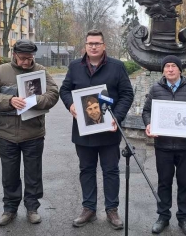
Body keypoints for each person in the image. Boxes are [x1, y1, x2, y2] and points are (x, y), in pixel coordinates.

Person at [59, 29, 134, 230]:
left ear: (104, 46)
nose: (93, 46)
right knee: (86, 170)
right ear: (85, 46)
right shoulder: (75, 66)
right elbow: (64, 90)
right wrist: (70, 105)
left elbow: (127, 94)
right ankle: (89, 209)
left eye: (97, 43)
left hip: (109, 131)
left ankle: (112, 210)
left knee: (111, 171)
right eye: (90, 43)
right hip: (83, 132)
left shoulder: (117, 67)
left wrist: (116, 117)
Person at [0, 39, 59, 226]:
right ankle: (9, 209)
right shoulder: (2, 71)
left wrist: (35, 100)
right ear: (14, 54)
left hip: (33, 133)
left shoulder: (40, 71)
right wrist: (9, 101)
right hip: (6, 134)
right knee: (9, 174)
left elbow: (53, 94)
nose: (26, 62)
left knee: (33, 173)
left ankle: (32, 208)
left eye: (30, 58)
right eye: (22, 58)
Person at [142, 55, 186, 236]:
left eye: (173, 66)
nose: (170, 69)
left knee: (184, 183)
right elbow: (147, 111)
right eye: (167, 66)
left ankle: (183, 218)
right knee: (164, 183)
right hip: (163, 145)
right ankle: (163, 216)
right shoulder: (156, 88)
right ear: (163, 70)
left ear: (180, 69)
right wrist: (148, 123)